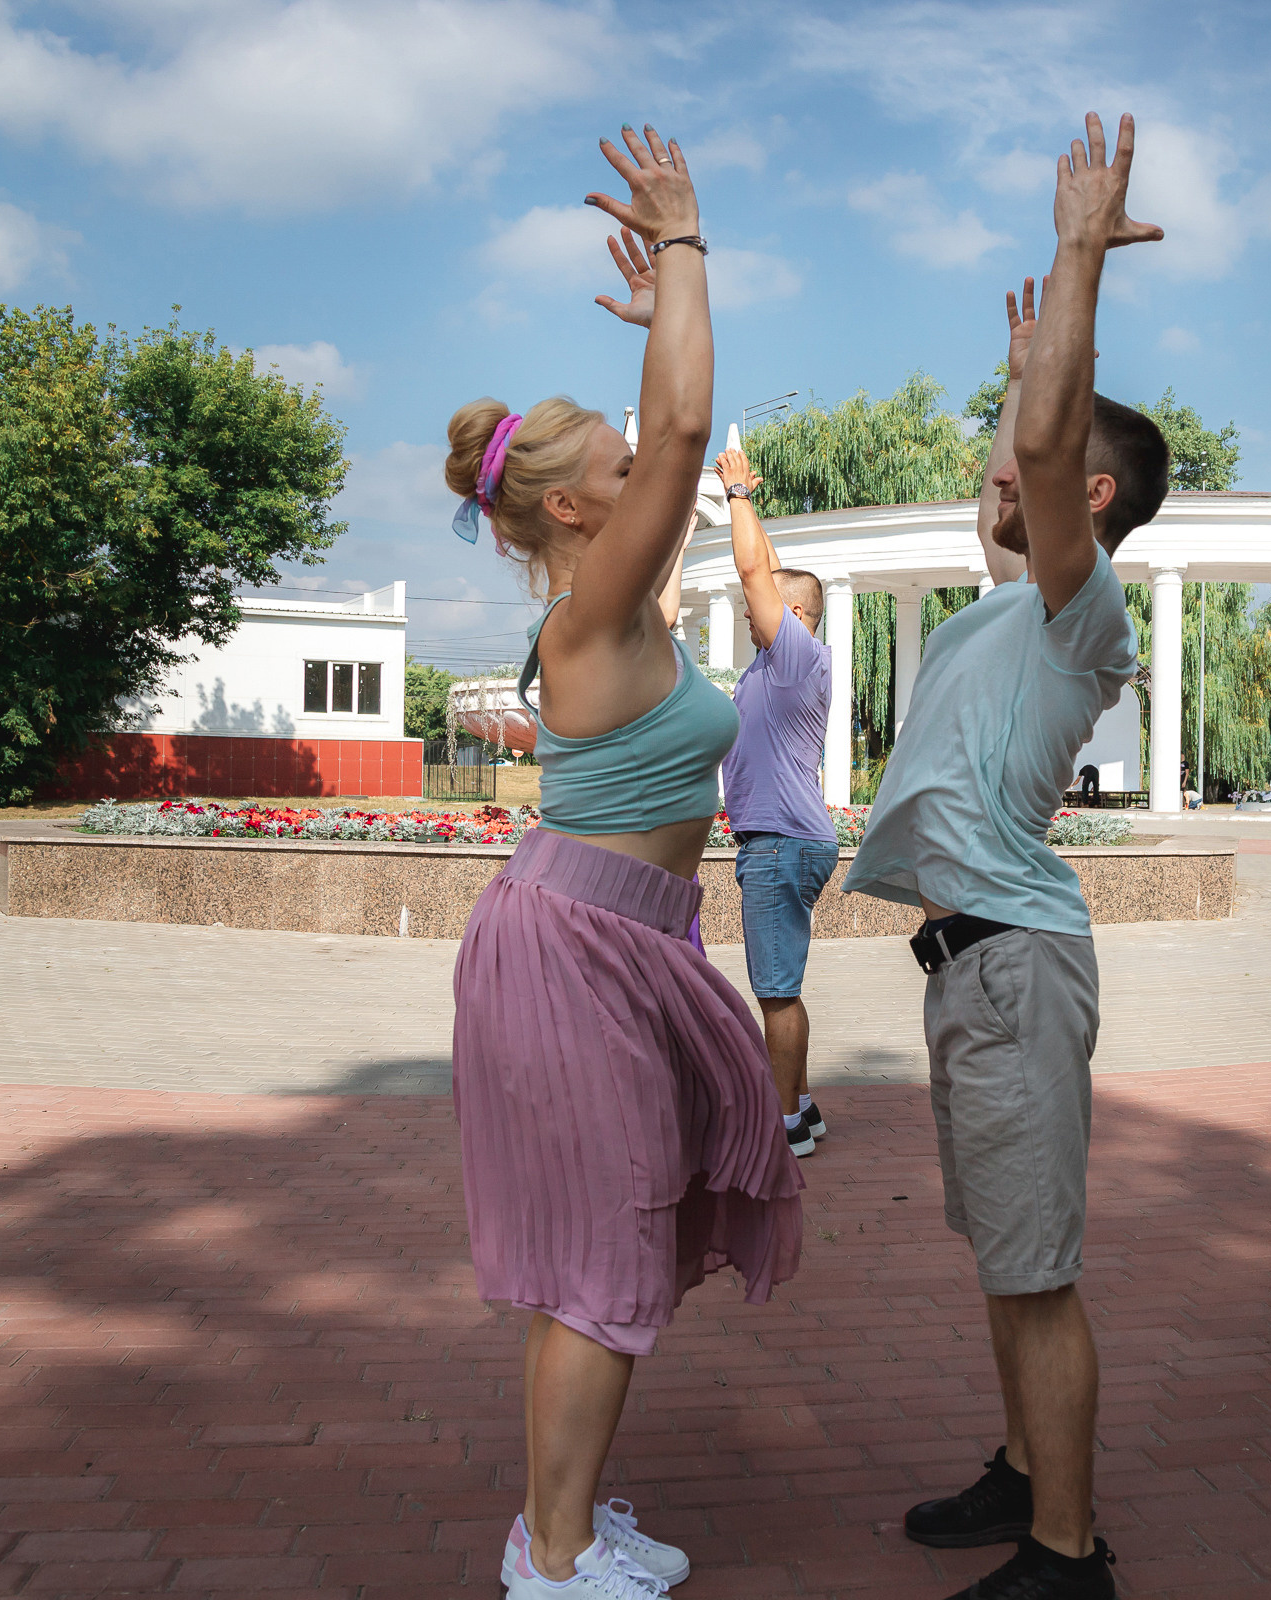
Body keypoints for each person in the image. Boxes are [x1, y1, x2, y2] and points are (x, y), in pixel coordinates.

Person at [443, 127, 801, 1600]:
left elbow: (675, 413)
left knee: (612, 1258)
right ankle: (556, 1563)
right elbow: (697, 411)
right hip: (577, 946)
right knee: (597, 1270)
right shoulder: (598, 601)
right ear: (582, 512)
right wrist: (685, 245)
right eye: (617, 458)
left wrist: (663, 313)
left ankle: (561, 1523)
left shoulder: (610, 596)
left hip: (625, 943)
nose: (646, 456)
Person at [842, 113, 1164, 1600]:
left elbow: (1042, 453)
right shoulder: (994, 611)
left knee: (1038, 1274)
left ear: (1084, 503)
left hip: (1018, 968)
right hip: (965, 971)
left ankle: (1069, 1555)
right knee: (1005, 1258)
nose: (1000, 463)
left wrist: (1078, 254)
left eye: (1029, 462)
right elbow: (1031, 442)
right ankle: (1026, 1472)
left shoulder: (1072, 611)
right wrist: (1040, 366)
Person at [711, 445, 837, 1158]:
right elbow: (771, 568)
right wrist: (754, 510)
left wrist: (733, 494)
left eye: (764, 606)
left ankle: (784, 1123)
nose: (749, 606)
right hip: (789, 836)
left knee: (776, 990)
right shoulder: (784, 658)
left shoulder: (793, 657)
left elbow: (757, 571)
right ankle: (805, 1105)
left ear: (791, 615)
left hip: (781, 841)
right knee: (783, 986)